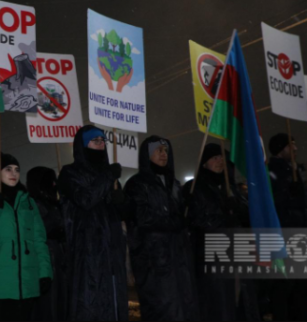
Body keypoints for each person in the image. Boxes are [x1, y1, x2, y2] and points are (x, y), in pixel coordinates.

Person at [58, 126, 130, 321]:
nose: (100, 145)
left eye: (102, 141)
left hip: (112, 251)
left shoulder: (110, 176)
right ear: (83, 145)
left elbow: (123, 214)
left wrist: (120, 200)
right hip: (88, 251)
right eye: (95, 141)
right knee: (91, 304)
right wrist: (108, 176)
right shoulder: (70, 173)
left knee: (114, 302)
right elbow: (85, 200)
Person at [124, 136, 199, 321]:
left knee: (184, 305)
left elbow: (181, 217)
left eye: (165, 150)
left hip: (178, 257)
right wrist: (173, 222)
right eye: (158, 150)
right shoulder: (137, 184)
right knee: (162, 307)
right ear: (147, 154)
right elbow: (142, 218)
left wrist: (187, 209)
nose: (163, 154)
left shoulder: (174, 184)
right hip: (154, 260)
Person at [0, 153, 52, 321]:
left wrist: (45, 272)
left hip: (27, 280)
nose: (14, 174)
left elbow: (39, 240)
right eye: (8, 169)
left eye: (17, 170)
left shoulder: (28, 201)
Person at [183, 143, 252, 321]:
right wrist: (223, 220)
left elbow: (247, 215)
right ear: (204, 162)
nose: (220, 161)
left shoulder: (229, 187)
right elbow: (195, 220)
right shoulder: (195, 187)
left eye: (222, 157)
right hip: (210, 256)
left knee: (237, 301)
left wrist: (237, 206)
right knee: (216, 303)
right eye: (215, 157)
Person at [266, 133, 307, 321]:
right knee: (284, 286)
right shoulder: (271, 171)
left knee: (302, 286)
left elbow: (306, 205)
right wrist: (289, 193)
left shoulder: (296, 170)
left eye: (295, 144)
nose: (296, 148)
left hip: (302, 236)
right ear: (281, 149)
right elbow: (270, 203)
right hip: (285, 237)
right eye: (291, 145)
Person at [27, 166, 67, 321]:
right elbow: (37, 231)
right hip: (45, 261)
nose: (54, 185)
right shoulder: (33, 204)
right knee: (47, 307)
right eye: (51, 181)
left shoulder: (54, 204)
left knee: (60, 303)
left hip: (59, 260)